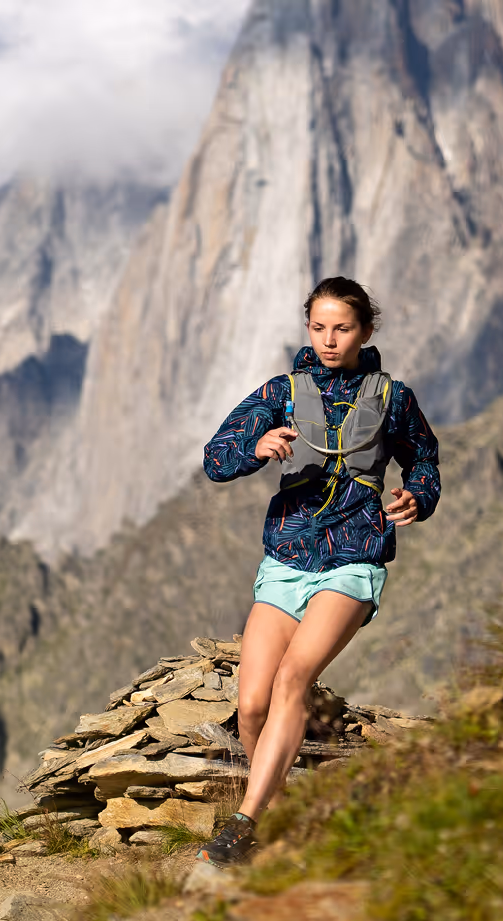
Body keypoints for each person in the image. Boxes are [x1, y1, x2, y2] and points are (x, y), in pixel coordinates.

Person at [196, 277, 440, 868]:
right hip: (285, 560)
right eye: (319, 327)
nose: (330, 340)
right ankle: (282, 824)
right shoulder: (281, 392)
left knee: (292, 680)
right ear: (307, 327)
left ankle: (243, 825)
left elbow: (424, 460)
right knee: (251, 705)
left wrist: (416, 497)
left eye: (343, 328)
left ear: (366, 331)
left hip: (354, 558)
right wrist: (257, 448)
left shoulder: (393, 396)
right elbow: (214, 459)